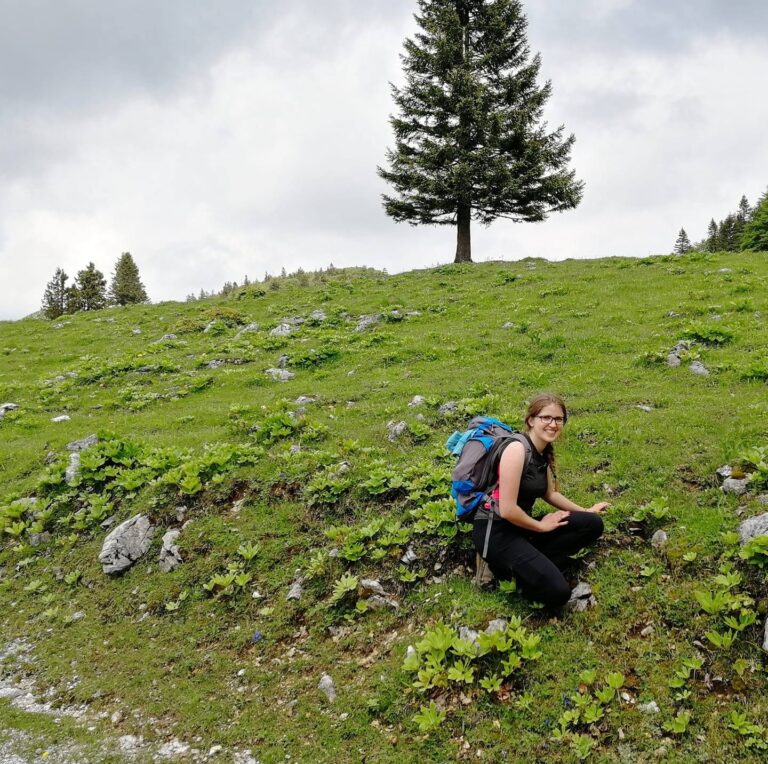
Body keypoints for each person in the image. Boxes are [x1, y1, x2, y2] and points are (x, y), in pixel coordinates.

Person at [472, 393, 609, 608]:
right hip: (496, 531)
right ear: (531, 420)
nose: (553, 424)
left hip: (520, 528)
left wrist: (587, 510)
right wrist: (540, 526)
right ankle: (497, 570)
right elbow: (507, 509)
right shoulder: (516, 450)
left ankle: (532, 563)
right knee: (558, 592)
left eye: (558, 419)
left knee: (592, 524)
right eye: (546, 418)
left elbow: (550, 494)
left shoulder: (541, 452)